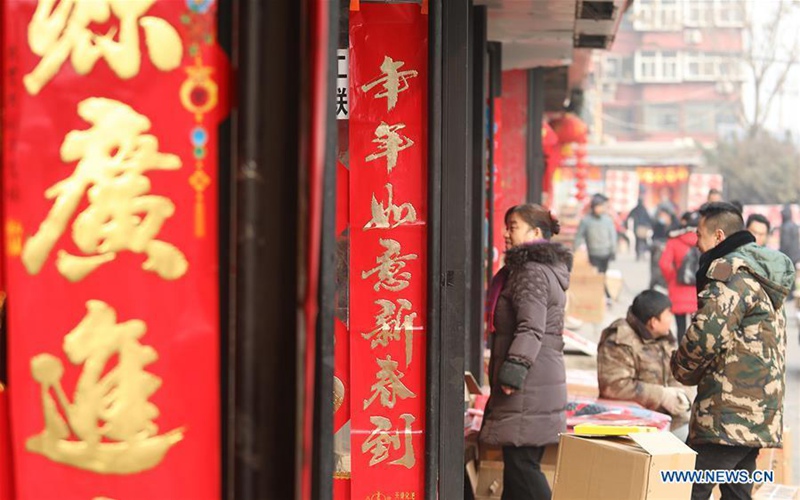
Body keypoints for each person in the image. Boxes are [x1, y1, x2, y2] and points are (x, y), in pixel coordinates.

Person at [671, 202, 795, 500]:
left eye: (699, 234)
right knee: (737, 493)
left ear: (718, 235)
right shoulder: (760, 275)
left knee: (689, 488)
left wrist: (679, 368)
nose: (696, 242)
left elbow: (705, 337)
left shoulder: (730, 275)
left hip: (728, 413)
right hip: (755, 411)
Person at [481, 204, 572, 500]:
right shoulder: (542, 268)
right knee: (517, 467)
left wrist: (513, 370)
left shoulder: (530, 271)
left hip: (528, 385)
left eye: (514, 226)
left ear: (535, 233)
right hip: (538, 380)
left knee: (522, 466)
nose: (507, 233)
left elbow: (531, 326)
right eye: (507, 226)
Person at [597, 290, 693, 441]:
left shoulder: (664, 337)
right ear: (653, 322)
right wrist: (661, 396)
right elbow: (614, 386)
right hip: (633, 423)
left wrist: (680, 393)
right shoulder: (619, 340)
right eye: (668, 314)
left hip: (669, 420)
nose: (671, 319)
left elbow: (676, 371)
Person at [659, 211, 699, 341]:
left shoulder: (674, 241)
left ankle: (681, 354)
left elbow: (664, 264)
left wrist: (672, 278)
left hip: (678, 290)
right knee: (697, 327)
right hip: (698, 291)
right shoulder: (704, 241)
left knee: (680, 327)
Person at [574, 194, 616, 274]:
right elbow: (579, 236)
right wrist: (577, 249)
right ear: (593, 207)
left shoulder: (608, 220)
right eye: (598, 206)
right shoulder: (586, 221)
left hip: (606, 253)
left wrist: (613, 250)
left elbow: (612, 236)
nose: (599, 209)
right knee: (594, 274)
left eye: (601, 206)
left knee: (603, 274)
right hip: (593, 253)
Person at [649, 207, 677, 291]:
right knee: (655, 269)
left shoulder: (675, 226)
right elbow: (654, 237)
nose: (661, 217)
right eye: (660, 215)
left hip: (669, 250)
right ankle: (654, 284)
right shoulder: (658, 225)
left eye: (663, 215)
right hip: (657, 249)